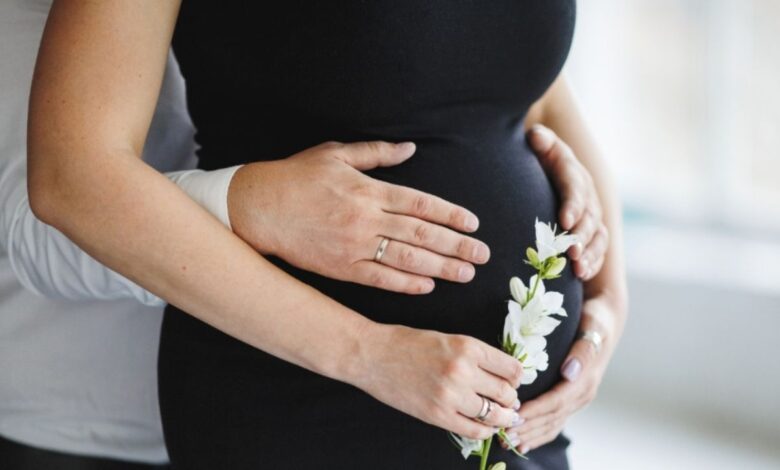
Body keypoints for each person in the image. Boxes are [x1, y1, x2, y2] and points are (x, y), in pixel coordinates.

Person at [26, 1, 628, 468]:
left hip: (519, 420)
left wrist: (609, 300)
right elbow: (72, 173)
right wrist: (372, 354)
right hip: (305, 400)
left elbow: (535, 95)